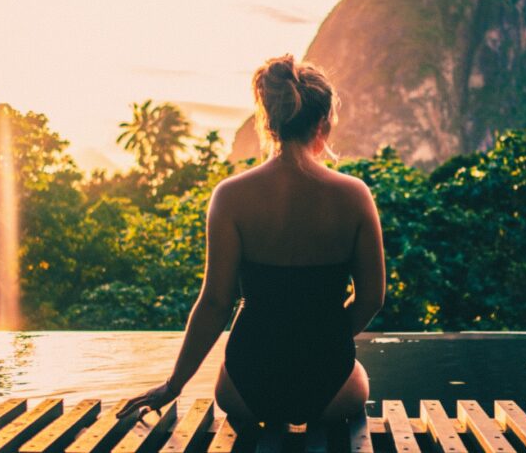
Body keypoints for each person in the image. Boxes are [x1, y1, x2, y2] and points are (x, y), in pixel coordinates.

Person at [117, 54, 386, 427]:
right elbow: (373, 297)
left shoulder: (230, 196)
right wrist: (322, 337)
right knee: (358, 378)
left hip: (246, 386)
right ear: (324, 122)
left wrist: (172, 385)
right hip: (331, 384)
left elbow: (215, 303)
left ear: (268, 122)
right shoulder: (354, 195)